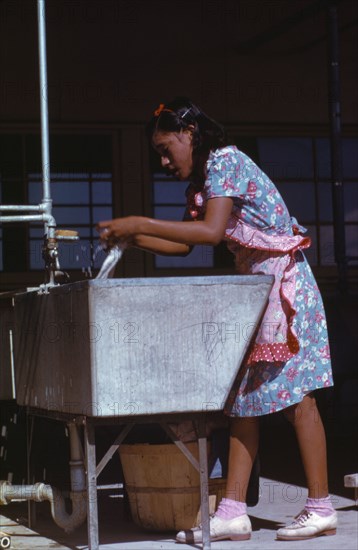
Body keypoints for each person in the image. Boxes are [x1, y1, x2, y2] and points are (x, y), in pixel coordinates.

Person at [97, 97, 337, 543]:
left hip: (285, 290)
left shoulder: (225, 161)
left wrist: (137, 219)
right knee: (244, 402)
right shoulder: (204, 184)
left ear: (190, 135)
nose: (165, 161)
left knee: (297, 399)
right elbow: (185, 246)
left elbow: (208, 232)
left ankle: (321, 506)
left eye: (167, 149)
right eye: (159, 155)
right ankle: (232, 510)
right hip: (256, 294)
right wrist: (137, 239)